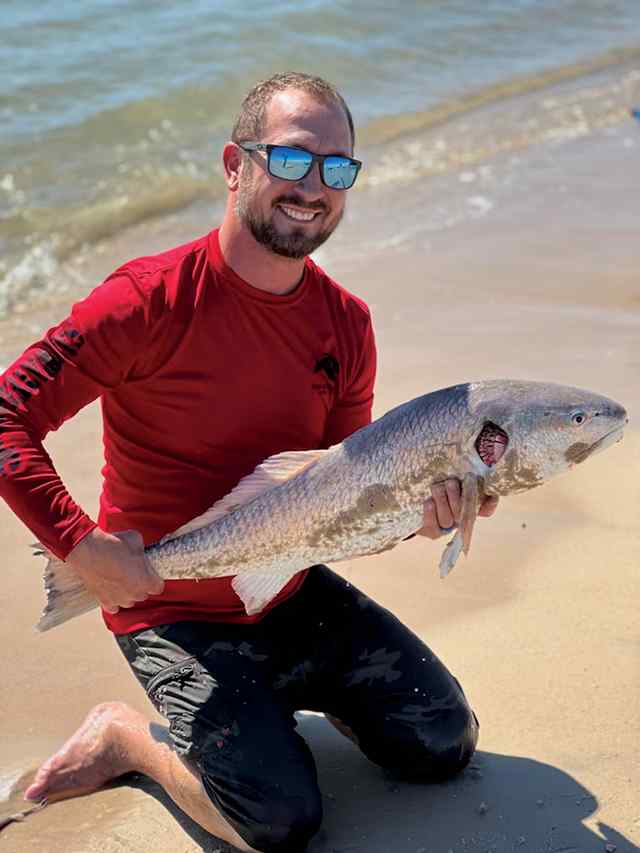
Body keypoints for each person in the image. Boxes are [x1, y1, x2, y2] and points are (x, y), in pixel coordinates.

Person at [1, 72, 498, 852]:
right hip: (165, 600)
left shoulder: (347, 326)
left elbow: (341, 501)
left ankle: (273, 703)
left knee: (441, 741)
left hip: (287, 583)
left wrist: (421, 514)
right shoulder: (145, 301)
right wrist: (80, 544)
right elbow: (7, 413)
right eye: (293, 161)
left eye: (337, 169)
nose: (314, 189)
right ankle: (131, 737)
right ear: (235, 165)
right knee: (278, 821)